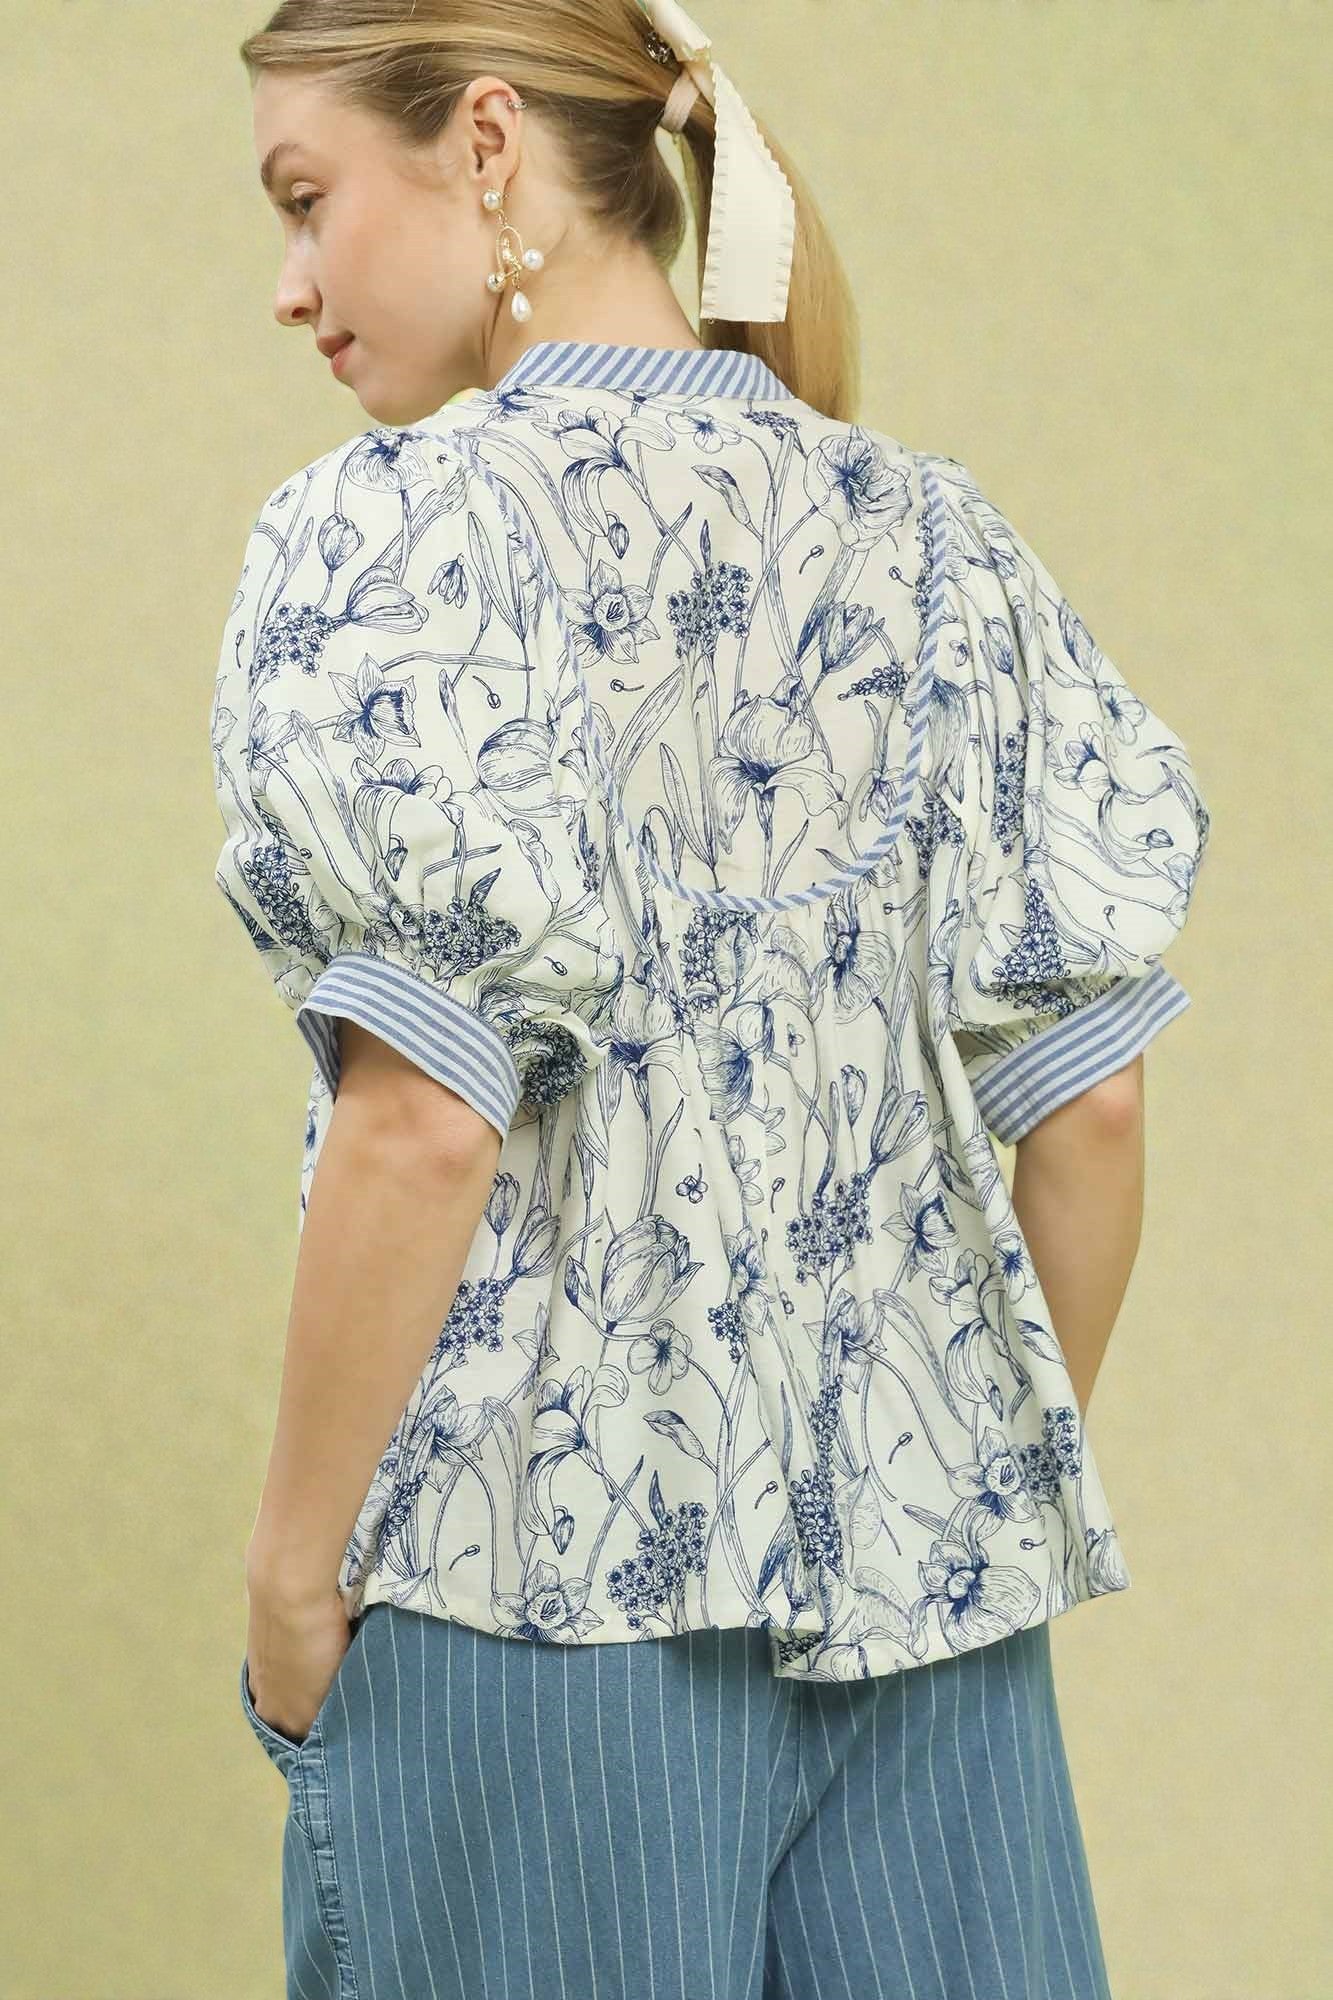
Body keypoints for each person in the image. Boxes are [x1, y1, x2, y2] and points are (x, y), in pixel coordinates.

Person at [215, 3, 1212, 1995]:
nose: (290, 286)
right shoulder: (937, 545)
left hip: (521, 1617)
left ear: (486, 141)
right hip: (926, 1638)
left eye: (309, 200)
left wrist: (289, 1588)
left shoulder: (386, 537)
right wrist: (920, 1497)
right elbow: (1087, 1108)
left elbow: (424, 1111)